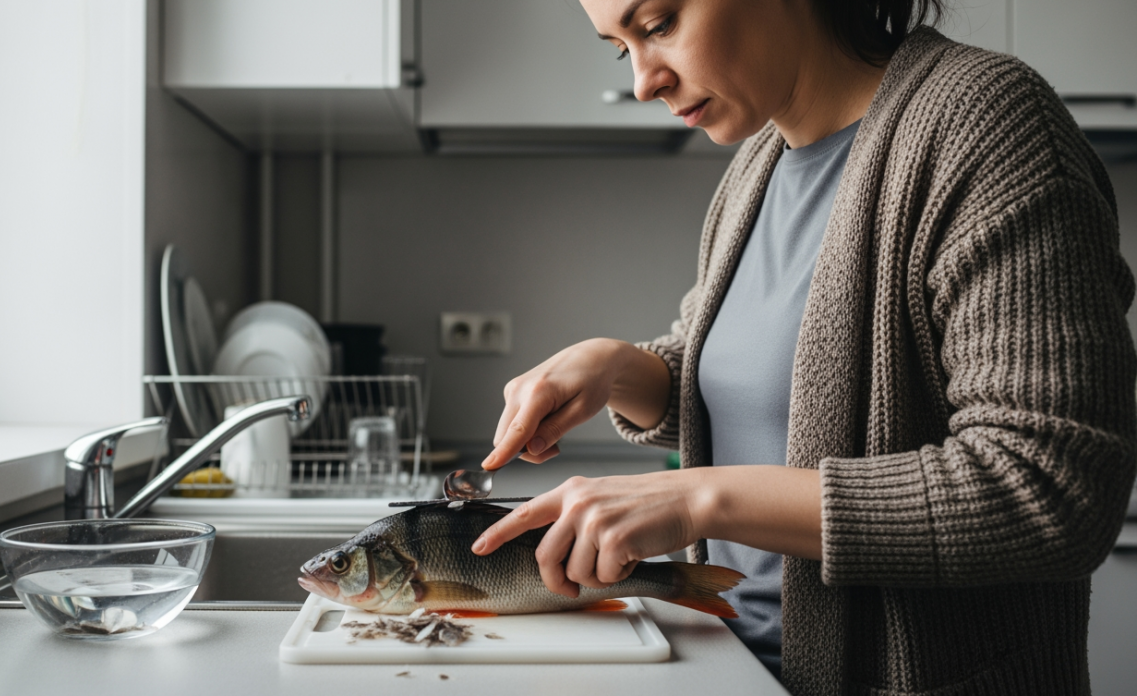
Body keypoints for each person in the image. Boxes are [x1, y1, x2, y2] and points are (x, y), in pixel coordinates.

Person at [468, 1, 1137, 694]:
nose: (643, 82)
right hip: (734, 671)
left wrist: (700, 499)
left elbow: (1052, 488)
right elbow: (768, 388)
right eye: (619, 48)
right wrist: (618, 369)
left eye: (660, 24)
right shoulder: (758, 163)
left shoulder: (987, 120)